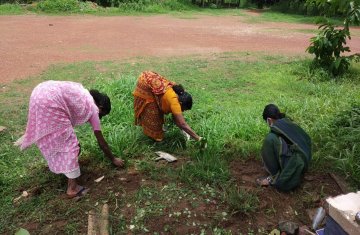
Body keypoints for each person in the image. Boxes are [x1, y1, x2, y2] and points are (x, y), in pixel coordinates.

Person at [16, 80, 124, 198]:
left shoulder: (84, 94)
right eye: (102, 115)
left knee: (60, 138)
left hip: (39, 91)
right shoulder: (94, 109)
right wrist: (113, 159)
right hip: (50, 100)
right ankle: (72, 188)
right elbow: (101, 142)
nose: (100, 118)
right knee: (71, 145)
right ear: (101, 107)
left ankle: (64, 168)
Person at [133, 71, 202, 142]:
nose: (182, 111)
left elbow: (177, 120)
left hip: (149, 77)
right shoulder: (174, 101)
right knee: (153, 116)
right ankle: (153, 140)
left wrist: (184, 130)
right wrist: (198, 138)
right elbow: (182, 123)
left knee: (158, 115)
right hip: (145, 84)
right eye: (183, 109)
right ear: (181, 103)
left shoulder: (179, 93)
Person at [257, 104, 312, 192]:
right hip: (305, 161)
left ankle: (274, 177)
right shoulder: (287, 121)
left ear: (269, 120)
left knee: (270, 139)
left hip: (298, 163)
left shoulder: (276, 127)